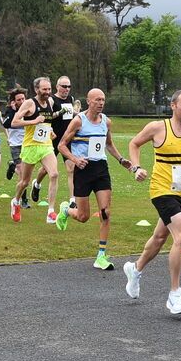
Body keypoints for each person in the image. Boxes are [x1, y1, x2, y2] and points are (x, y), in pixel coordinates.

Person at [123, 90, 181, 314]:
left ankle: (135, 270)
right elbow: (134, 144)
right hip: (161, 190)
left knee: (159, 237)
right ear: (173, 106)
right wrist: (136, 167)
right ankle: (174, 295)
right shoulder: (157, 127)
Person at [55, 87, 132, 270]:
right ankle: (66, 210)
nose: (101, 103)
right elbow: (61, 145)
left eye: (103, 100)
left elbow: (109, 144)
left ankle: (101, 255)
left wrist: (121, 160)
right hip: (83, 169)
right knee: (83, 217)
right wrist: (75, 159)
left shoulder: (106, 121)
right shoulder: (78, 121)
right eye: (97, 100)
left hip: (101, 169)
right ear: (88, 101)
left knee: (105, 212)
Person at [10, 77, 60, 223]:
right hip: (31, 146)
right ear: (36, 89)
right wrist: (33, 121)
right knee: (24, 182)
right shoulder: (29, 103)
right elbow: (14, 122)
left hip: (45, 145)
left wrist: (50, 131)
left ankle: (51, 211)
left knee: (54, 174)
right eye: (44, 89)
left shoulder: (50, 102)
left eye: (49, 89)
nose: (47, 92)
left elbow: (46, 121)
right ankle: (16, 201)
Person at [32, 76, 77, 206]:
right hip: (53, 138)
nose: (66, 89)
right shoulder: (51, 100)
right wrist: (59, 113)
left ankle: (72, 200)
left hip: (67, 139)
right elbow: (47, 116)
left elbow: (71, 114)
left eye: (68, 87)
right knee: (47, 170)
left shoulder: (71, 99)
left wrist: (78, 114)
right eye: (64, 86)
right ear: (57, 87)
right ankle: (37, 183)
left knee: (71, 168)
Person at [3, 88, 27, 187]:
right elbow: (5, 124)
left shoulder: (29, 109)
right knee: (22, 172)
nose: (22, 102)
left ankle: (12, 167)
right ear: (14, 101)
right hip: (15, 145)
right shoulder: (10, 111)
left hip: (27, 143)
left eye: (23, 99)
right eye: (19, 100)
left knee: (25, 172)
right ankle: (24, 199)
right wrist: (13, 111)